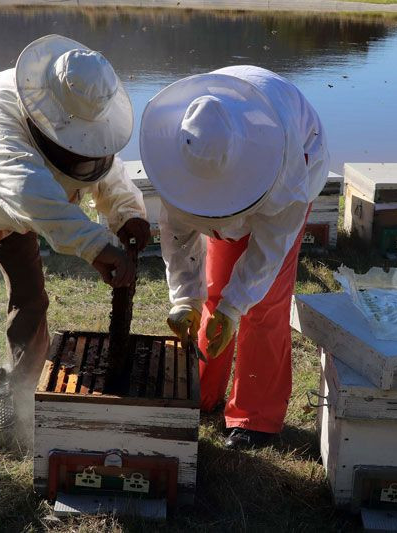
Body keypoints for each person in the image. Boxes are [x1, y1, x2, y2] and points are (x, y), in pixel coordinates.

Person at [0, 34, 150, 422]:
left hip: (14, 215)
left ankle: (25, 383)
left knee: (31, 296)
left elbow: (101, 161)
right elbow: (34, 196)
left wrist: (126, 211)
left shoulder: (71, 105)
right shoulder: (0, 142)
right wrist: (101, 246)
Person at [139, 66, 329, 450]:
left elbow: (269, 249)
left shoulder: (286, 171)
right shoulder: (181, 148)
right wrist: (183, 298)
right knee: (214, 293)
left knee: (263, 306)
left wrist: (237, 304)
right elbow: (177, 234)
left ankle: (254, 418)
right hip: (240, 163)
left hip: (299, 162)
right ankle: (201, 393)